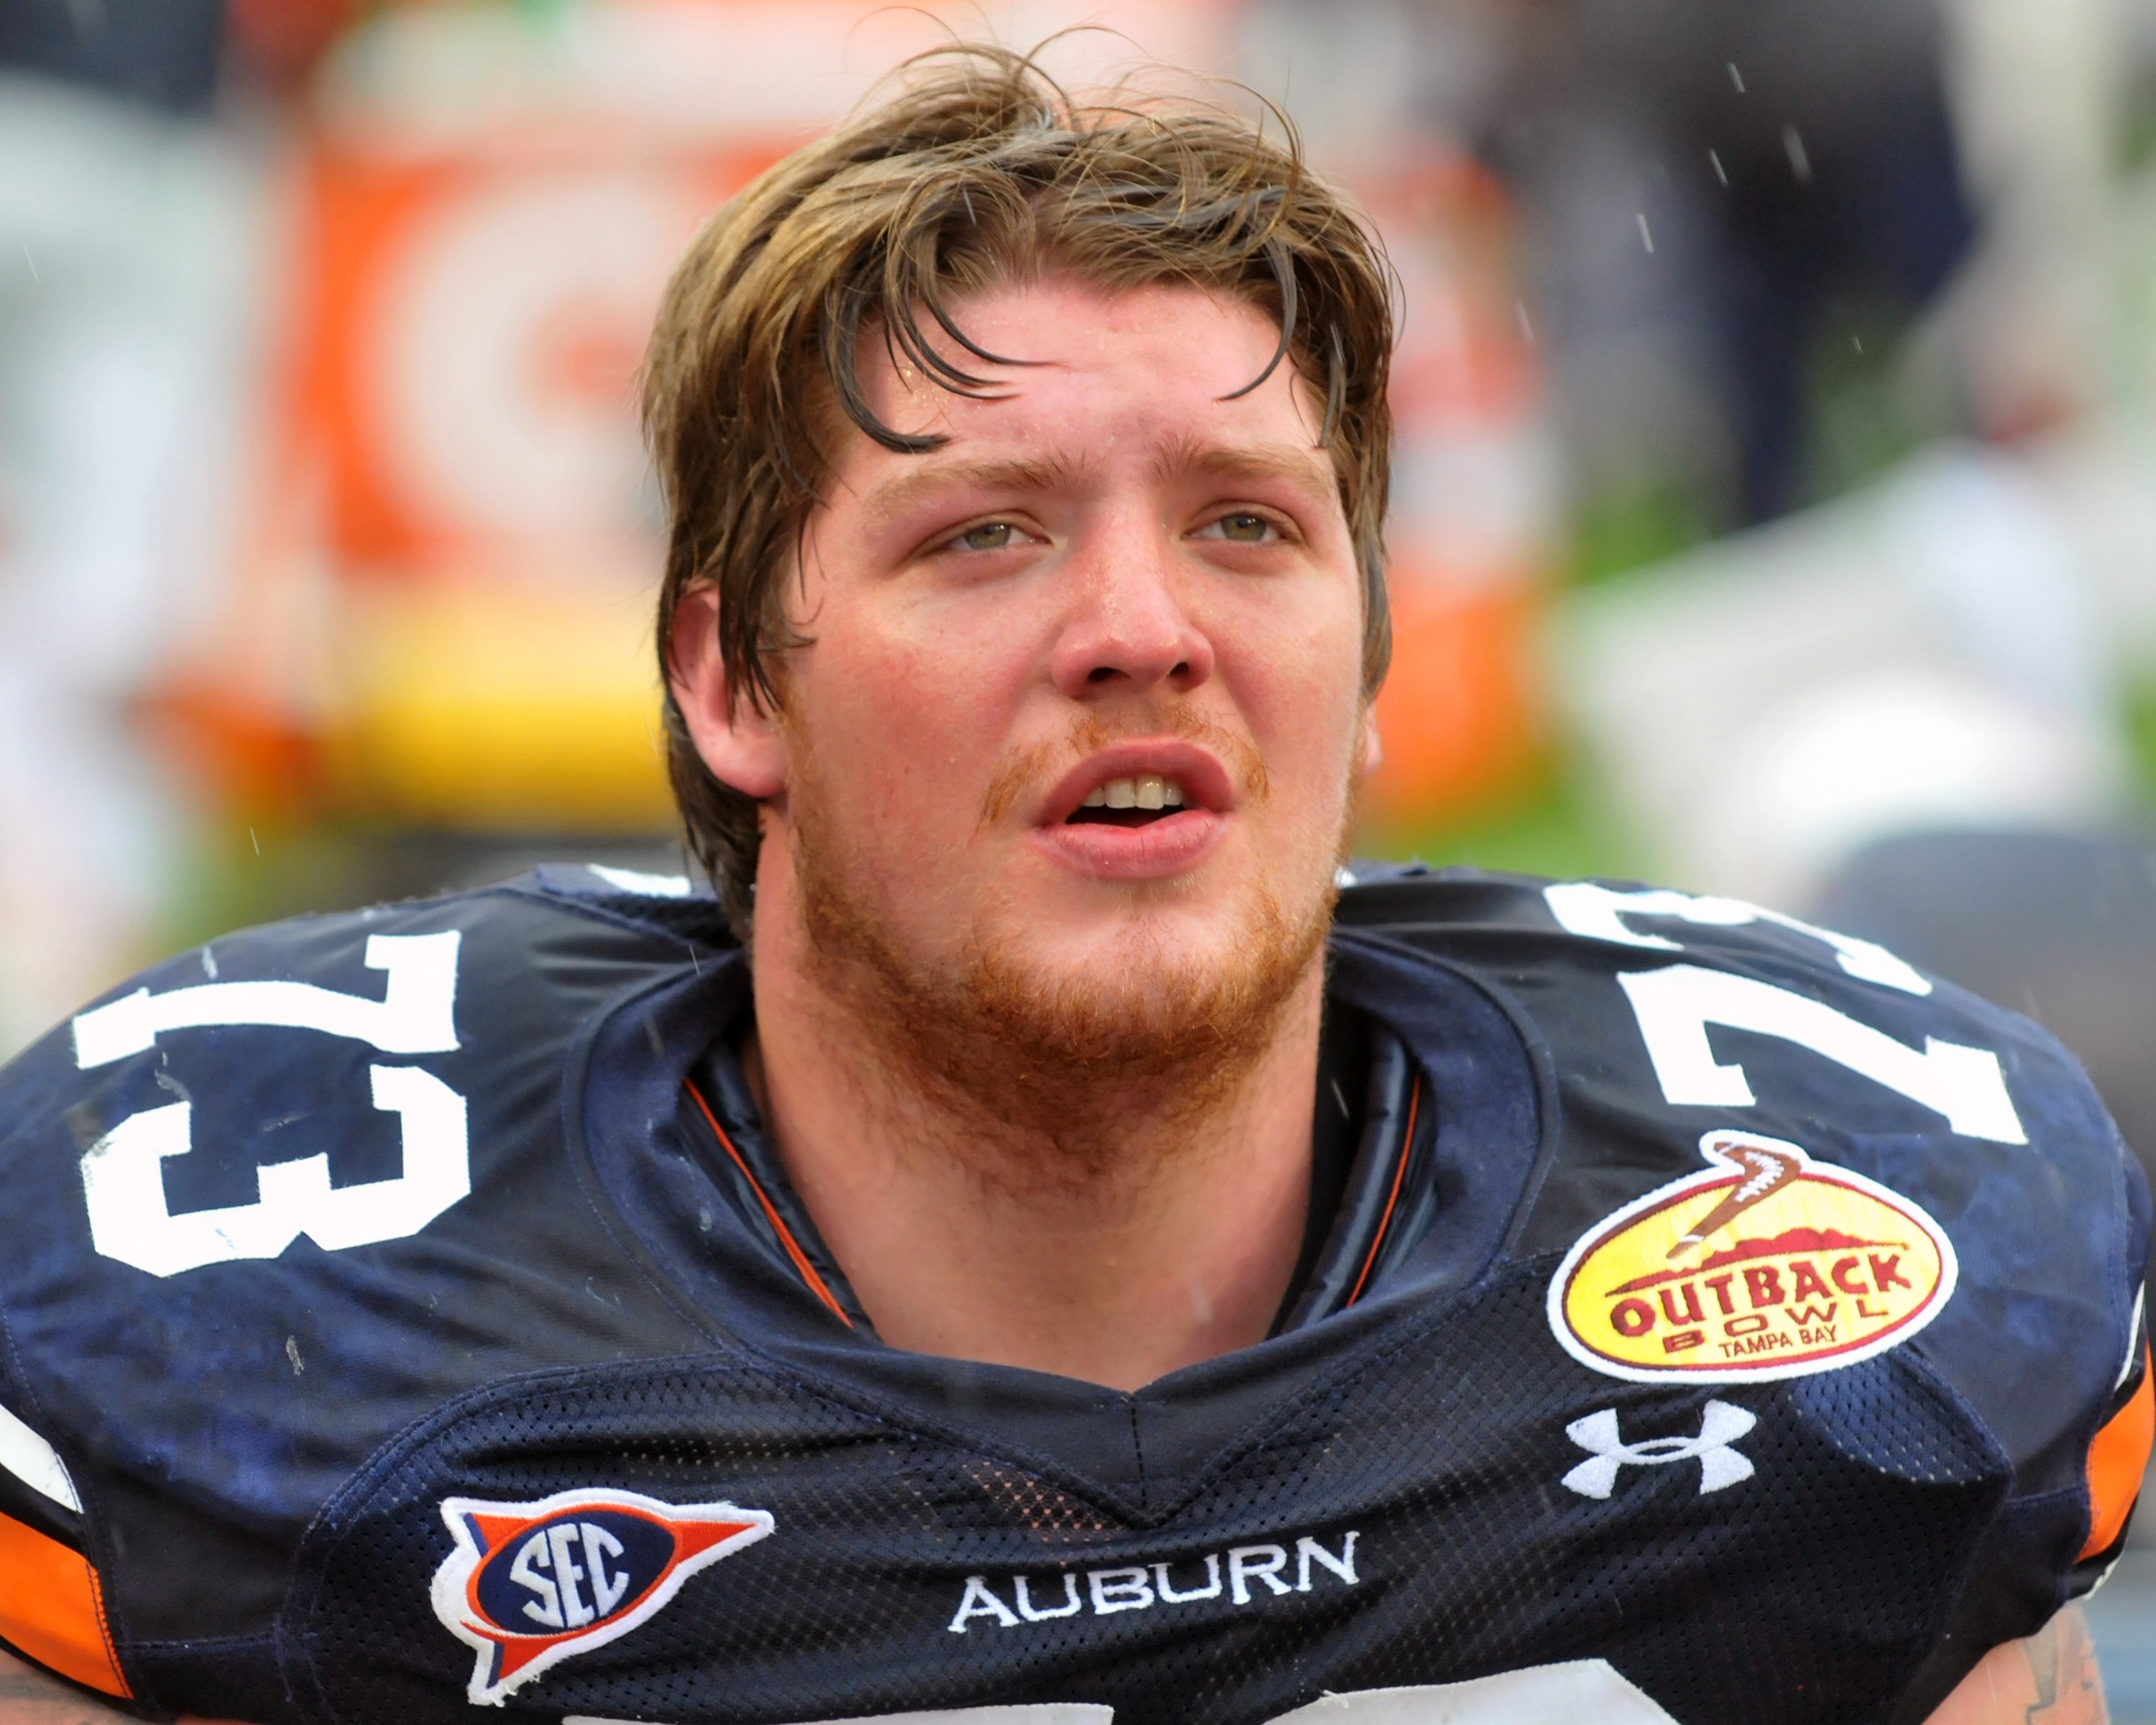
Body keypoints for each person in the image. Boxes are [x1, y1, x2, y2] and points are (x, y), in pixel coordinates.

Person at [0, 47, 2143, 1725]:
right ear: (731, 677)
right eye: (986, 534)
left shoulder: (1854, 1238)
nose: (1141, 629)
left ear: (1368, 665)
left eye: (1246, 526)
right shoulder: (263, 1324)